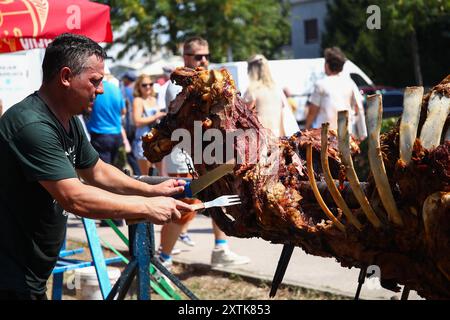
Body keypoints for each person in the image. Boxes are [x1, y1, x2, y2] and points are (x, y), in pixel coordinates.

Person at [0, 33, 193, 300]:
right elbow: (74, 198)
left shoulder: (67, 119)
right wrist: (146, 207)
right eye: (95, 81)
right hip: (9, 276)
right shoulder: (32, 124)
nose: (100, 90)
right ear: (66, 77)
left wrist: (151, 190)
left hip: (30, 272)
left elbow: (97, 171)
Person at [159, 36, 250, 269]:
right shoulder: (177, 85)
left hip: (208, 153)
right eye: (198, 56)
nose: (203, 60)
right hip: (184, 156)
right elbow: (185, 121)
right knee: (184, 208)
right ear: (185, 57)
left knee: (220, 198)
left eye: (206, 56)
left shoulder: (210, 82)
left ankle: (221, 248)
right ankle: (163, 260)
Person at [86, 76, 127, 227]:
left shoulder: (95, 90)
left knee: (103, 178)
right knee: (115, 176)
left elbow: (88, 108)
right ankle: (117, 214)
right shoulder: (116, 89)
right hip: (116, 135)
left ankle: (110, 217)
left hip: (100, 135)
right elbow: (123, 110)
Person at [305, 47, 363, 132]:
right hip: (346, 132)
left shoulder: (321, 84)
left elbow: (312, 111)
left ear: (327, 64)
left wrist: (306, 128)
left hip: (325, 135)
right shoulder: (349, 83)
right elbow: (358, 106)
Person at [244, 54, 299, 137]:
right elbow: (281, 117)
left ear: (251, 70)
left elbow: (245, 117)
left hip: (260, 139)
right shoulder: (276, 89)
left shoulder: (252, 90)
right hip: (277, 138)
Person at [132, 74, 166, 176]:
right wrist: (155, 116)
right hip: (143, 142)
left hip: (156, 140)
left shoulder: (154, 99)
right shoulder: (138, 100)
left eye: (150, 84)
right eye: (144, 85)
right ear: (139, 86)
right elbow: (137, 121)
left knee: (161, 174)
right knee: (146, 176)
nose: (148, 87)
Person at [120, 71, 142, 176]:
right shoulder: (136, 90)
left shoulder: (127, 90)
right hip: (137, 125)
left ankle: (138, 173)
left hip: (130, 125)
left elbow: (124, 110)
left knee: (130, 152)